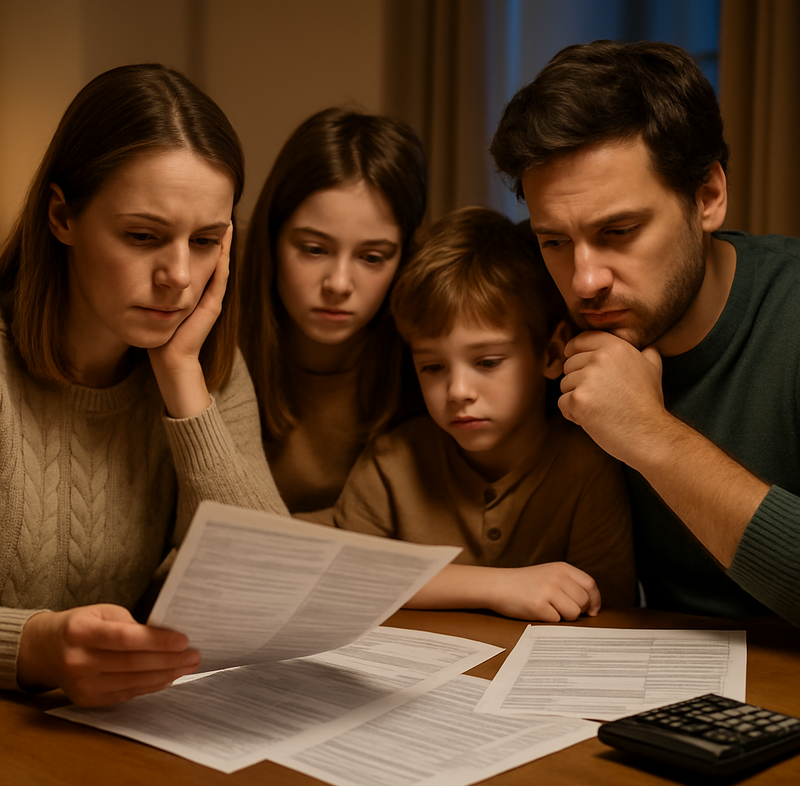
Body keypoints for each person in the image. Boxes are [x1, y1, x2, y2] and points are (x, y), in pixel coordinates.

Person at [0, 64, 288, 706]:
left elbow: (272, 583)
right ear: (61, 215)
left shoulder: (205, 364)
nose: (180, 277)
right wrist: (35, 645)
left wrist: (184, 380)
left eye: (207, 240)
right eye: (143, 236)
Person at [490, 39, 800, 626]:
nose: (584, 281)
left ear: (708, 195)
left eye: (620, 231)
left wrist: (649, 434)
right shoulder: (542, 331)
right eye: (554, 241)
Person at [307, 207, 636, 622]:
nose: (458, 392)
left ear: (552, 354)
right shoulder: (394, 462)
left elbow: (606, 612)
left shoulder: (586, 466)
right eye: (432, 367)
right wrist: (499, 586)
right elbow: (344, 576)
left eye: (487, 362)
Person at [239, 108, 428, 513]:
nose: (339, 284)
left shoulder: (429, 355)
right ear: (271, 239)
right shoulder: (213, 337)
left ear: (404, 258)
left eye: (373, 257)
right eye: (314, 249)